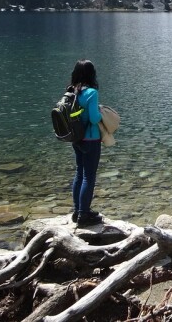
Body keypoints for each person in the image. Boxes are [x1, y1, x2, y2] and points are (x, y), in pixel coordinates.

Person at [70, 60, 104, 227]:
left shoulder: (71, 91)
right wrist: (101, 112)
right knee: (89, 177)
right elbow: (94, 118)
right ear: (91, 74)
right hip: (91, 139)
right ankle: (85, 215)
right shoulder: (91, 93)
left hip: (76, 138)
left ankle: (77, 211)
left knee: (79, 173)